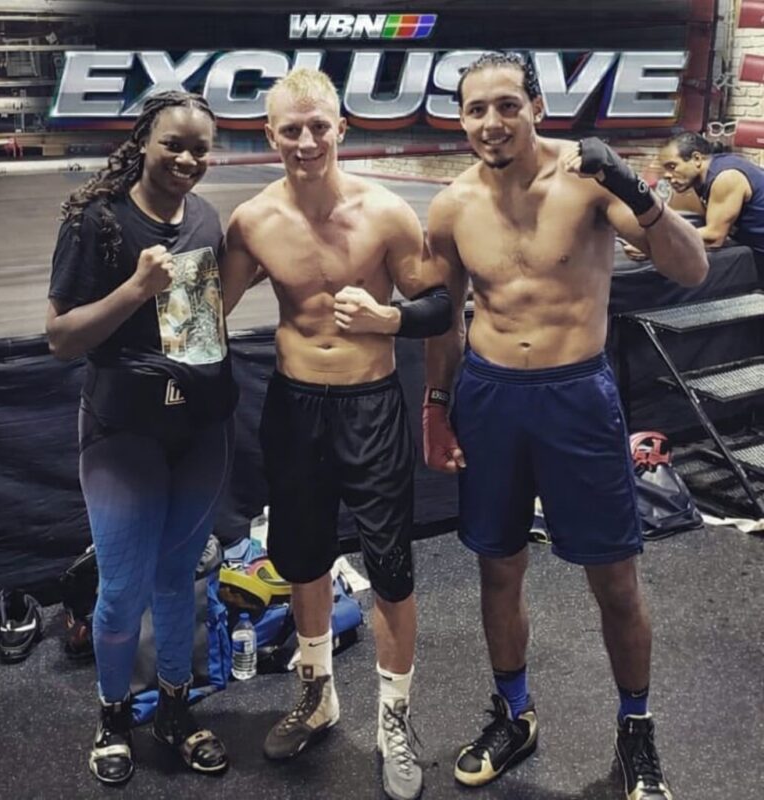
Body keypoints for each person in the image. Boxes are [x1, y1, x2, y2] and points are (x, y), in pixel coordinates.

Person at [422, 53, 707, 800]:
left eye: (507, 105)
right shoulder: (451, 206)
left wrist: (635, 188)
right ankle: (514, 714)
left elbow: (691, 270)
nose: (492, 122)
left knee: (614, 577)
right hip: (488, 399)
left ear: (537, 107)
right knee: (497, 565)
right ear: (461, 119)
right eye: (476, 109)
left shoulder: (587, 181)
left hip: (576, 396)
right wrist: (435, 407)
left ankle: (637, 729)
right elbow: (444, 321)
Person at [221, 67, 451, 800]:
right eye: (290, 128)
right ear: (270, 136)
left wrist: (393, 319)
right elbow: (203, 314)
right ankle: (318, 695)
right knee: (302, 557)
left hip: (370, 405)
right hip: (294, 407)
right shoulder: (254, 221)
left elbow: (440, 306)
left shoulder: (384, 213)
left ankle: (394, 720)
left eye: (319, 125)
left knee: (389, 568)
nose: (306, 140)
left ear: (342, 129)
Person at [46, 90, 237, 785]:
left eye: (199, 148)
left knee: (177, 583)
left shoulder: (207, 218)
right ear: (143, 142)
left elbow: (190, 324)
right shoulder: (96, 220)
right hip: (123, 433)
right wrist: (134, 288)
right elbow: (62, 338)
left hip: (198, 430)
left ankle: (177, 711)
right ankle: (113, 716)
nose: (188, 159)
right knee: (123, 591)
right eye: (173, 144)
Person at [657, 133, 764, 271]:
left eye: (672, 166)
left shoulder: (725, 177)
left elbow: (713, 238)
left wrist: (654, 243)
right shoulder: (704, 176)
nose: (666, 175)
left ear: (696, 159)